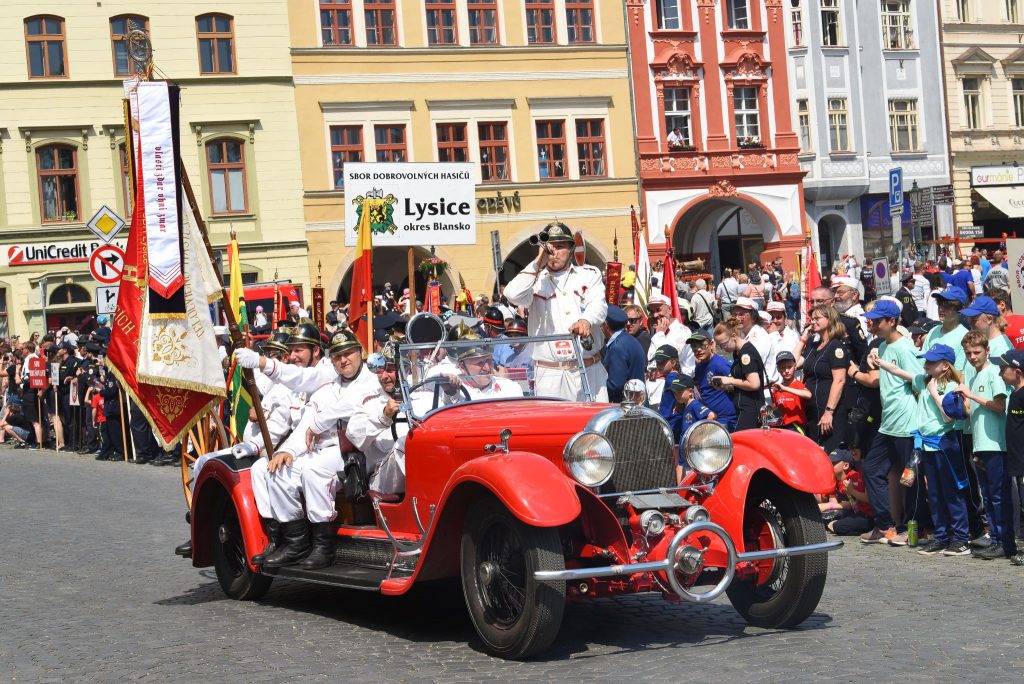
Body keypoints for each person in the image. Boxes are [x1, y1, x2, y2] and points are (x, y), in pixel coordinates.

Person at [262, 330, 380, 570]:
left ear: (361, 353)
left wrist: (321, 421)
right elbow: (307, 421)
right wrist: (288, 451)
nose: (343, 360)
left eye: (348, 354)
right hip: (328, 451)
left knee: (314, 470)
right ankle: (296, 542)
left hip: (360, 451)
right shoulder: (328, 386)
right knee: (278, 471)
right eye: (337, 356)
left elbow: (353, 405)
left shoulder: (373, 379)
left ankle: (324, 546)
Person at [875, 343, 971, 557]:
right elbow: (901, 373)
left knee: (952, 492)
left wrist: (935, 394)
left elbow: (949, 417)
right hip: (925, 443)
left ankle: (961, 539)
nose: (926, 364)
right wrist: (881, 363)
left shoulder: (952, 386)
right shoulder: (926, 379)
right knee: (934, 494)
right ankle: (940, 536)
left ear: (945, 366)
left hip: (944, 443)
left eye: (931, 361)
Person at [503, 221, 608, 401]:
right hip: (550, 373)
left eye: (560, 247)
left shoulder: (589, 274)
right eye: (550, 247)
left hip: (589, 368)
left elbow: (598, 305)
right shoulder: (535, 280)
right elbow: (512, 294)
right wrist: (538, 263)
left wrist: (586, 320)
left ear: (571, 249)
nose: (554, 252)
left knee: (594, 426)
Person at [860, 300, 924, 546]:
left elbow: (919, 381)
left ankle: (914, 529)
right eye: (871, 320)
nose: (872, 324)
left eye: (877, 320)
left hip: (906, 422)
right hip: (888, 422)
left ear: (892, 321)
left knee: (910, 477)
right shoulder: (884, 346)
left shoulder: (905, 348)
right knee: (872, 469)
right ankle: (886, 524)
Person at [957, 333, 1014, 559]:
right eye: (969, 353)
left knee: (999, 496)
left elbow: (999, 406)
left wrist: (971, 395)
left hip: (996, 445)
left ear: (987, 351)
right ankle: (996, 539)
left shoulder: (993, 373)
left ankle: (1005, 541)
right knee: (988, 497)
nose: (972, 357)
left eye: (977, 352)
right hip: (981, 444)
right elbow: (974, 413)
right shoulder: (975, 376)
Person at [794, 305, 848, 450]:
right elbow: (792, 365)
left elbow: (840, 380)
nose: (813, 322)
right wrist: (803, 340)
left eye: (817, 318)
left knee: (829, 454)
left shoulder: (836, 346)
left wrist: (829, 412)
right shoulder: (813, 345)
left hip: (828, 411)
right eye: (812, 319)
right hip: (811, 411)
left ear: (830, 320)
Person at [712, 318, 767, 431]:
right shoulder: (737, 352)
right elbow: (742, 382)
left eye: (723, 344)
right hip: (742, 406)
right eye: (719, 346)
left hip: (751, 409)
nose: (723, 348)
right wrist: (725, 386)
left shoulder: (746, 354)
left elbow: (754, 384)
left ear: (733, 336)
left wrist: (730, 380)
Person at [996, 349, 1024, 565]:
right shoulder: (1015, 394)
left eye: (1002, 369)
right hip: (1016, 462)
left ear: (1017, 371)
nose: (999, 373)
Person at [664, 375, 714, 482]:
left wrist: (701, 436)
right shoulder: (686, 407)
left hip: (694, 453)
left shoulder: (695, 405)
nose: (676, 395)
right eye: (674, 392)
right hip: (686, 452)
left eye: (679, 392)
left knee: (693, 481)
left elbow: (711, 415)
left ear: (690, 391)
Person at [687, 332, 737, 430]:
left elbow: (737, 385)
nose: (698, 350)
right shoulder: (699, 367)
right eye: (694, 347)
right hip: (710, 418)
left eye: (702, 345)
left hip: (726, 419)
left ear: (711, 344)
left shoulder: (720, 365)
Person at [821, 447, 874, 536]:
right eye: (829, 462)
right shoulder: (834, 479)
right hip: (853, 511)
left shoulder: (854, 477)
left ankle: (866, 530)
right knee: (824, 517)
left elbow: (855, 503)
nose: (830, 465)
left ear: (846, 465)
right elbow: (827, 500)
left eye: (833, 463)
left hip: (865, 514)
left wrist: (851, 491)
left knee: (837, 524)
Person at [601, 305, 646, 403]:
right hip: (635, 404)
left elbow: (616, 385)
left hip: (626, 408)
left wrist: (598, 388)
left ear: (605, 325)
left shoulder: (617, 347)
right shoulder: (629, 340)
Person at [771, 351, 809, 433]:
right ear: (778, 369)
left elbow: (808, 395)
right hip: (781, 429)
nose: (787, 370)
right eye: (783, 368)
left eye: (789, 366)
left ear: (795, 366)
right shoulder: (776, 389)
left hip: (796, 428)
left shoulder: (799, 385)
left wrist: (785, 389)